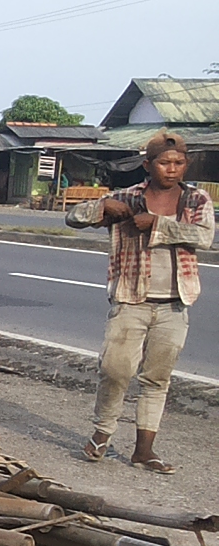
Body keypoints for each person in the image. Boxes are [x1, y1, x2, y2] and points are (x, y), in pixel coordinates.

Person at [69, 131, 214, 471]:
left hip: (174, 302)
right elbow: (73, 218)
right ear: (149, 165)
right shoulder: (126, 198)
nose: (172, 169)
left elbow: (204, 236)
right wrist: (102, 207)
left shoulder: (196, 201)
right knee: (115, 369)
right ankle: (102, 433)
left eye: (178, 163)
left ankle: (144, 449)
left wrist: (157, 225)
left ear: (186, 164)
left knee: (157, 377)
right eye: (165, 162)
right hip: (131, 299)